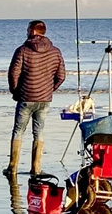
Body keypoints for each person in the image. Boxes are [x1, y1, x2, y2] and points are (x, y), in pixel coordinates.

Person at [4, 20, 67, 179]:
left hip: (26, 97)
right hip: (44, 99)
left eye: (27, 30)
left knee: (19, 130)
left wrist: (15, 91)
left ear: (32, 31)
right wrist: (49, 90)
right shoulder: (55, 51)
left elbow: (13, 74)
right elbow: (61, 76)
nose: (26, 32)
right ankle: (36, 168)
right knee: (39, 131)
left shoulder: (23, 50)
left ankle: (13, 167)